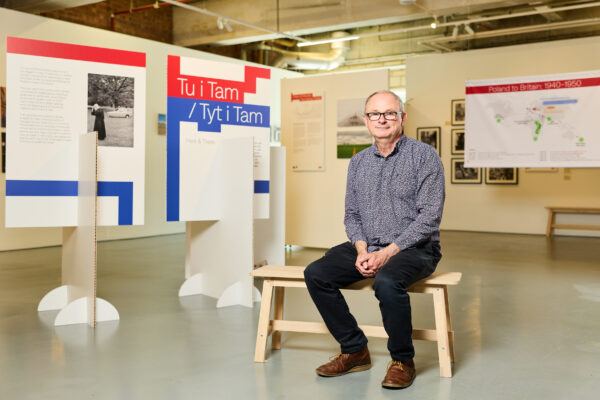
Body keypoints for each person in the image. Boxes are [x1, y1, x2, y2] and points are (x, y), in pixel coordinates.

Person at [304, 90, 445, 389]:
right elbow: (352, 214)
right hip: (368, 245)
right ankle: (354, 349)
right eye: (374, 114)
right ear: (367, 120)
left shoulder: (424, 157)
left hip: (414, 248)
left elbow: (430, 216)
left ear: (402, 118)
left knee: (387, 281)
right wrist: (361, 249)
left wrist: (387, 254)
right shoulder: (358, 163)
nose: (382, 119)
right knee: (316, 273)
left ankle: (402, 360)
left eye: (389, 113)